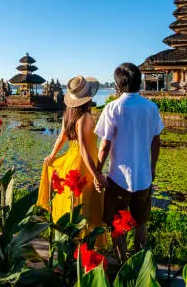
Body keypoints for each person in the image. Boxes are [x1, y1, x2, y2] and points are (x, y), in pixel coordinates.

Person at [94, 63, 164, 261]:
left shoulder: (113, 108)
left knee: (118, 223)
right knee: (141, 223)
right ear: (139, 82)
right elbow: (156, 142)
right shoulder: (151, 108)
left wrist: (98, 171)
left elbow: (105, 145)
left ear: (117, 85)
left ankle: (122, 262)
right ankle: (141, 263)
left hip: (118, 178)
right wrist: (152, 168)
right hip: (143, 177)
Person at [37, 75, 106, 244]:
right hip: (83, 164)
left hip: (70, 161)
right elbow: (84, 148)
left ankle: (67, 240)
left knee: (71, 201)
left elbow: (61, 138)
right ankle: (81, 244)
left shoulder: (68, 115)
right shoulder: (85, 118)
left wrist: (52, 156)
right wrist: (96, 174)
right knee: (84, 204)